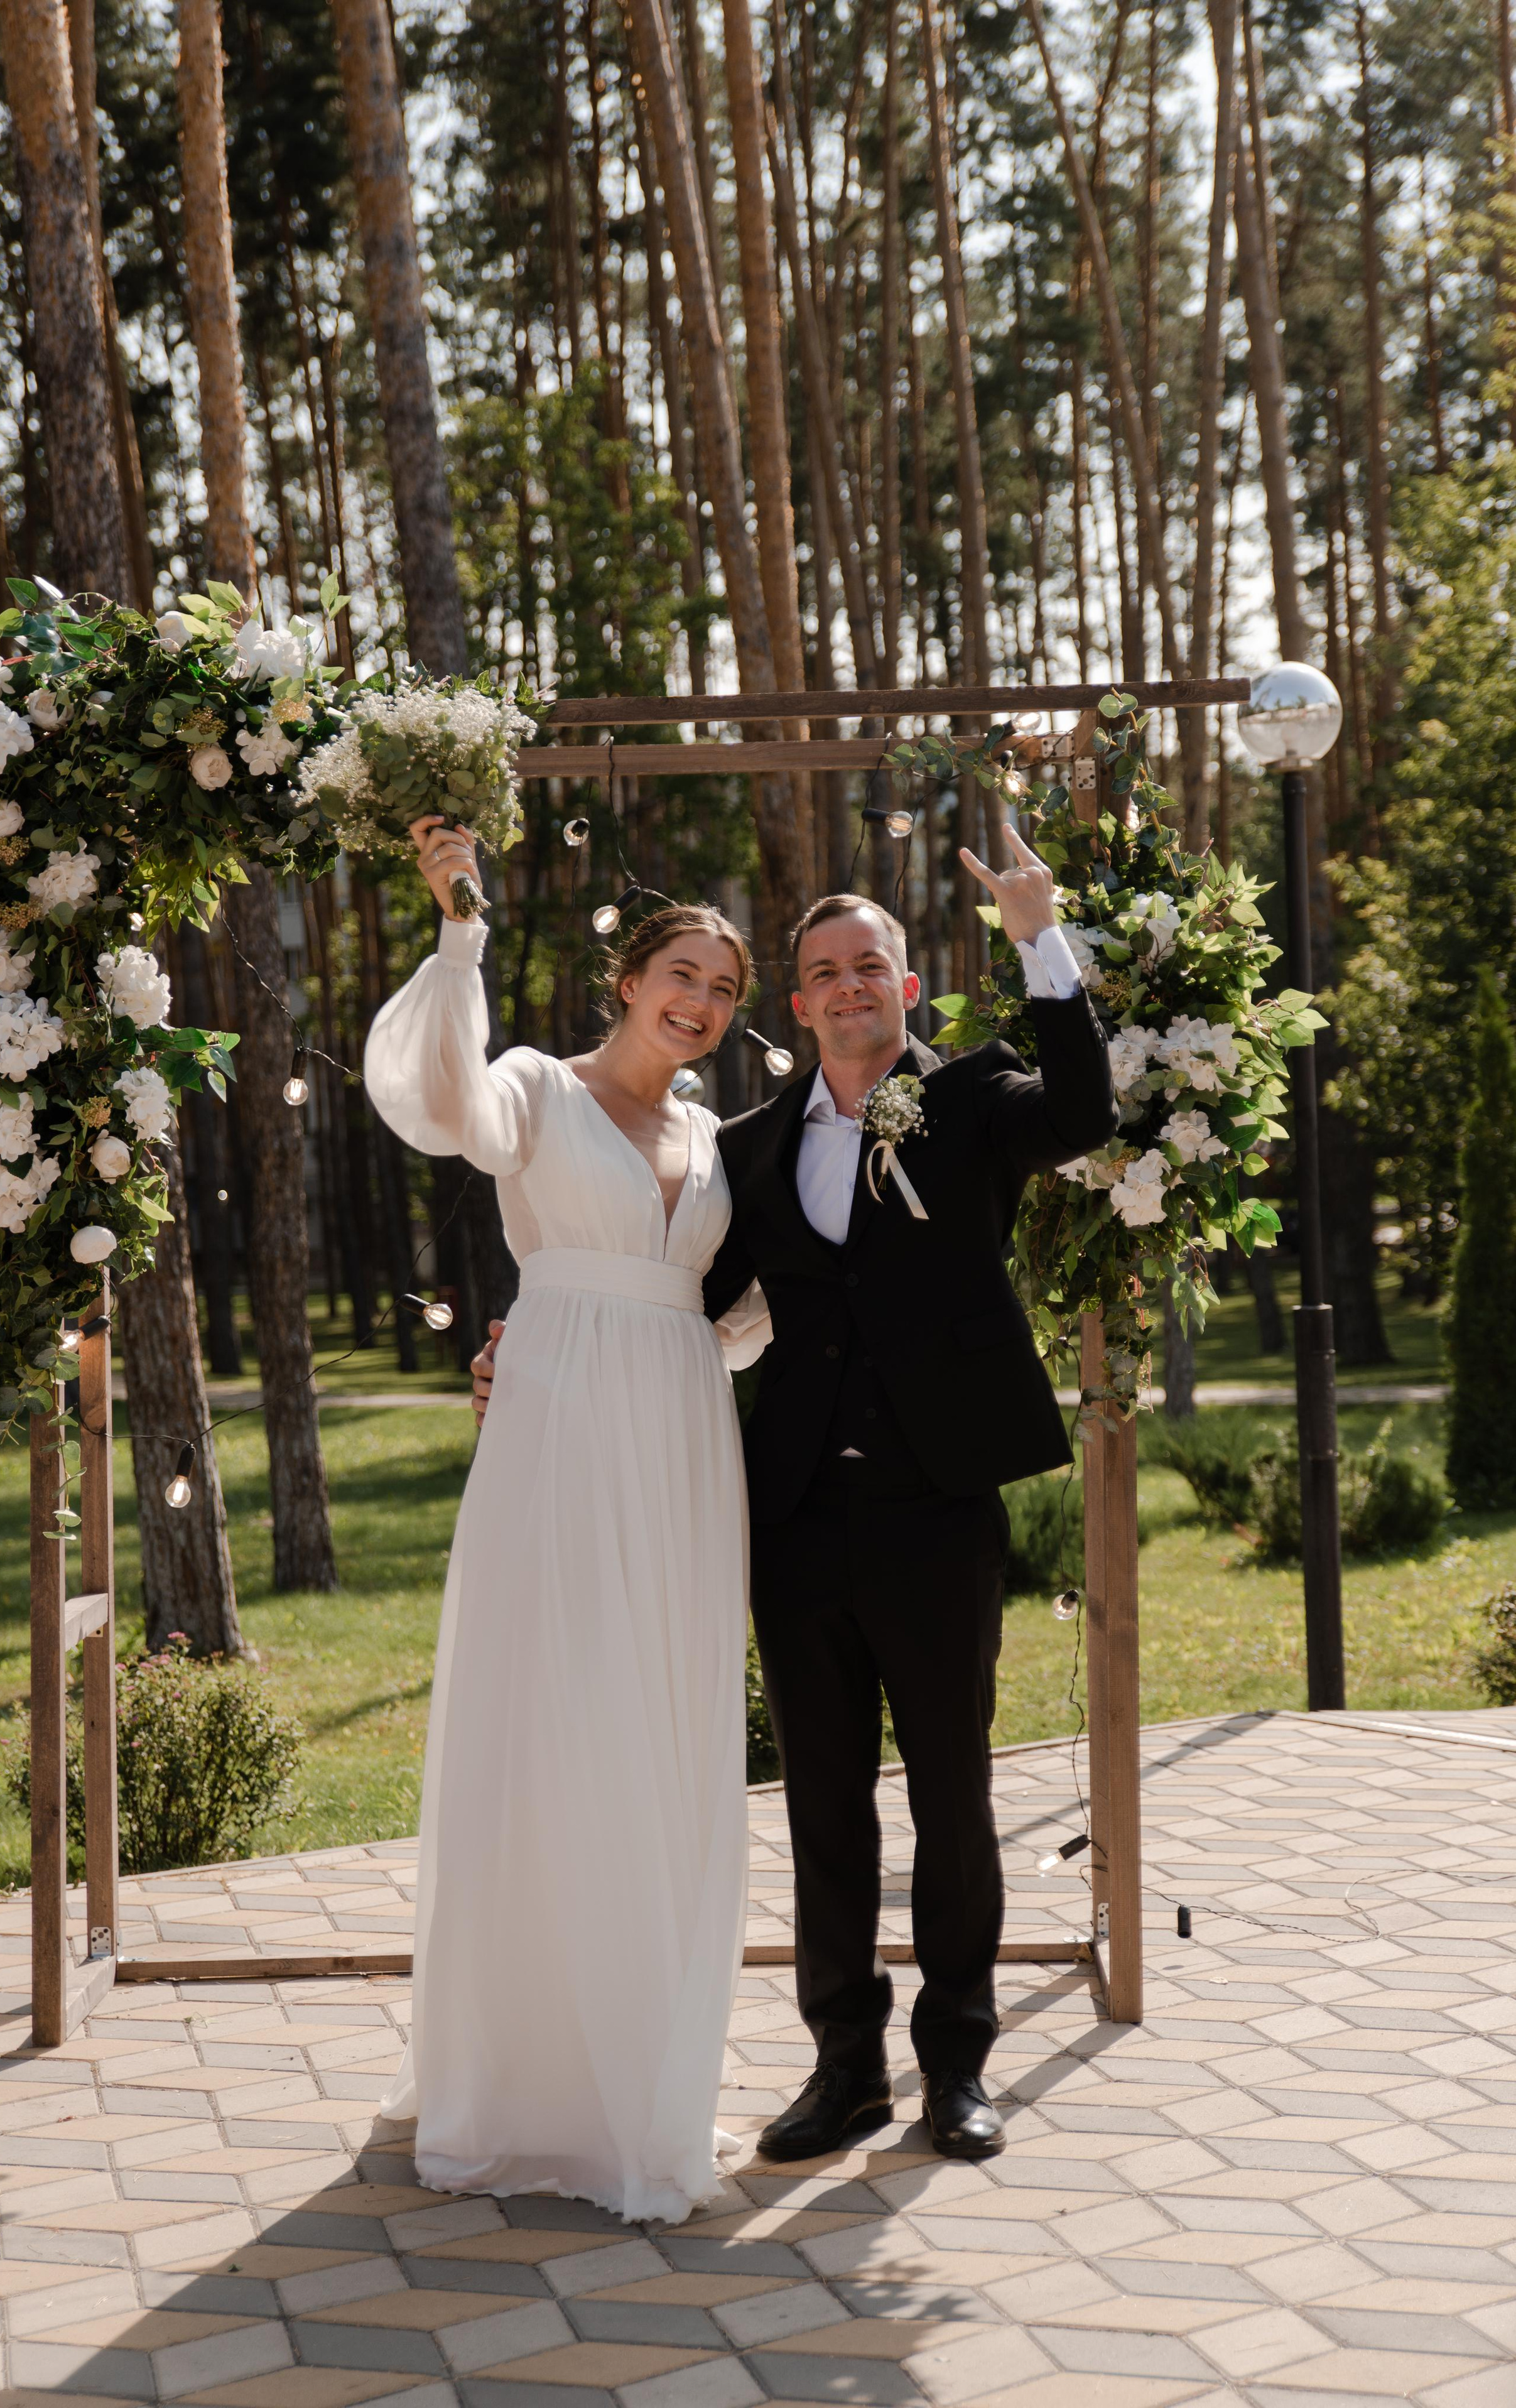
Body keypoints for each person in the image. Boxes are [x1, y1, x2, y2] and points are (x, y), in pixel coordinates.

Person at [475, 826, 1115, 2165]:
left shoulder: (975, 1096)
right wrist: (529, 1347)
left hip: (937, 1511)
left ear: (906, 986)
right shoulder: (749, 1148)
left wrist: (1037, 937)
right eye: (823, 971)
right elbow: (671, 1294)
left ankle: (956, 2067)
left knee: (952, 1797)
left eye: (868, 965)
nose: (847, 985)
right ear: (798, 1003)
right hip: (794, 1519)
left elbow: (1083, 1115)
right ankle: (845, 2069)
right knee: (822, 1804)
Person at [364, 816, 766, 2225]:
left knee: (659, 1726)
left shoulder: (714, 1138)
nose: (699, 1002)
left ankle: (644, 2080)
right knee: (547, 1715)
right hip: (557, 1425)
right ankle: (521, 2082)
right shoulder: (535, 1085)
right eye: (681, 974)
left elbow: (742, 1306)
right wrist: (458, 930)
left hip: (682, 1435)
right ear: (629, 978)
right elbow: (442, 1104)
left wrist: (724, 1347)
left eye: (723, 988)